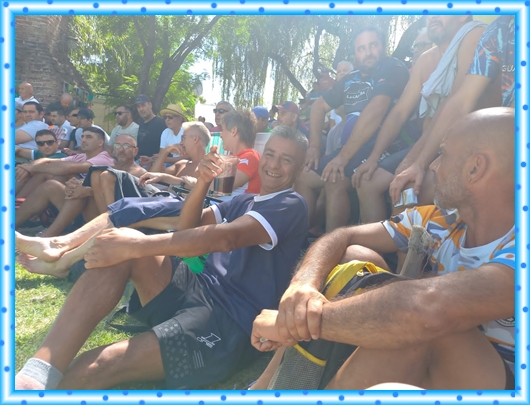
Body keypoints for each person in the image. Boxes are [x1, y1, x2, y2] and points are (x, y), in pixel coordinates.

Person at [14, 125, 309, 391]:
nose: (273, 164)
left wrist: (138, 246)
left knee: (99, 365)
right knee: (125, 243)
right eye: (270, 155)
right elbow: (188, 226)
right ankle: (38, 372)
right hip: (198, 287)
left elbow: (225, 238)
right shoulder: (245, 201)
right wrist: (203, 182)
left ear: (300, 167)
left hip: (231, 321)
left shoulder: (291, 204)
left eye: (286, 159)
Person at [250, 107, 515, 390]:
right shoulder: (438, 220)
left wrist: (298, 323)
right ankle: (263, 386)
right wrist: (303, 284)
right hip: (433, 355)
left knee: (424, 327)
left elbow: (428, 309)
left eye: (443, 154)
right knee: (355, 256)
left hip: (500, 381)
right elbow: (342, 236)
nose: (433, 166)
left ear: (475, 168)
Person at [352, 16, 487, 223]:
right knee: (367, 182)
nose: (433, 15)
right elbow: (399, 112)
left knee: (405, 190)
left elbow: (457, 104)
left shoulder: (475, 35)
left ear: (462, 14)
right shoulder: (425, 60)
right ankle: (379, 242)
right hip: (429, 143)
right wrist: (373, 157)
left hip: (466, 144)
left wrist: (418, 162)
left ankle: (402, 244)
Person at [389, 15, 514, 206]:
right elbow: (461, 100)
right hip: (498, 139)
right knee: (407, 187)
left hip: (503, 142)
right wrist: (419, 164)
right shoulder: (500, 29)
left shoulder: (475, 34)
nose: (433, 15)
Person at [297, 26, 409, 232]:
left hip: (385, 146)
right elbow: (318, 107)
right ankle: (302, 238)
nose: (368, 53)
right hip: (352, 149)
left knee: (334, 180)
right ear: (355, 54)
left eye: (373, 45)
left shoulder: (392, 67)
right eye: (361, 48)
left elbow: (376, 110)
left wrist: (342, 157)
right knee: (303, 176)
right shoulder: (350, 79)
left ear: (383, 46)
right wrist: (314, 146)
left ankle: (337, 245)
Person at [20, 134, 146, 238]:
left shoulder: (140, 174)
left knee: (80, 194)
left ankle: (46, 237)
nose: (121, 149)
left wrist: (88, 191)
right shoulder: (109, 167)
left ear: (135, 151)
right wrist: (73, 185)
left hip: (109, 218)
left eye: (126, 146)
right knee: (51, 185)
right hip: (81, 210)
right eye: (118, 145)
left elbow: (130, 202)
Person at [15, 127, 114, 199]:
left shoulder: (103, 158)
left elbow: (66, 168)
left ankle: (17, 204)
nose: (83, 140)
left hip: (92, 199)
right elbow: (47, 161)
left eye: (88, 137)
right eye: (82, 137)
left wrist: (31, 168)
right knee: (53, 176)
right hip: (76, 195)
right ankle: (19, 204)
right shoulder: (81, 156)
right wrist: (29, 167)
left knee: (50, 177)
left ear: (100, 142)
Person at [140, 122, 211, 191]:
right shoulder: (182, 164)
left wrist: (164, 177)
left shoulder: (209, 167)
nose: (181, 143)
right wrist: (165, 151)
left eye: (183, 138)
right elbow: (152, 178)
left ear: (195, 139)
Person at [218, 110, 261, 197]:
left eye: (222, 130)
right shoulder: (230, 156)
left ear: (233, 131)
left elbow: (219, 188)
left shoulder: (251, 157)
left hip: (235, 206)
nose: (221, 135)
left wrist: (194, 183)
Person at [135, 94, 167, 168]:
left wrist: (152, 160)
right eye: (138, 107)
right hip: (139, 162)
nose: (141, 109)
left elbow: (166, 149)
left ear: (150, 105)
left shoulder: (162, 123)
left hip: (156, 163)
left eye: (143, 105)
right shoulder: (141, 123)